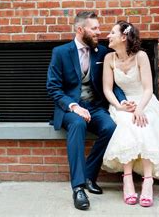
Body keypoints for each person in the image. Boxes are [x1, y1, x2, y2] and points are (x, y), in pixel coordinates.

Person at [47, 11, 135, 210]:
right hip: (70, 108)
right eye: (94, 28)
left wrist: (123, 102)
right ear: (80, 30)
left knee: (110, 127)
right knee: (77, 124)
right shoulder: (60, 53)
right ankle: (78, 188)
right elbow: (53, 88)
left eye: (99, 28)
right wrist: (74, 106)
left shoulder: (102, 52)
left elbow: (113, 85)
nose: (99, 32)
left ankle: (88, 175)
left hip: (95, 107)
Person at [102, 21, 159, 207]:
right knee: (127, 124)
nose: (108, 36)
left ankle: (148, 181)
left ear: (124, 37)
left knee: (143, 124)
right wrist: (120, 106)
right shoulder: (109, 59)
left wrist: (139, 108)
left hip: (145, 102)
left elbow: (148, 89)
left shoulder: (141, 56)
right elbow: (107, 89)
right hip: (122, 104)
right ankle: (128, 179)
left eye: (112, 32)